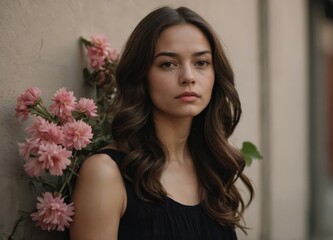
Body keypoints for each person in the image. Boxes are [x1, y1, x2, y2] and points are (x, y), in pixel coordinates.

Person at [70, 6, 254, 240]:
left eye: (201, 63)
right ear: (141, 76)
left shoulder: (212, 168)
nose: (188, 77)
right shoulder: (105, 173)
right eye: (168, 64)